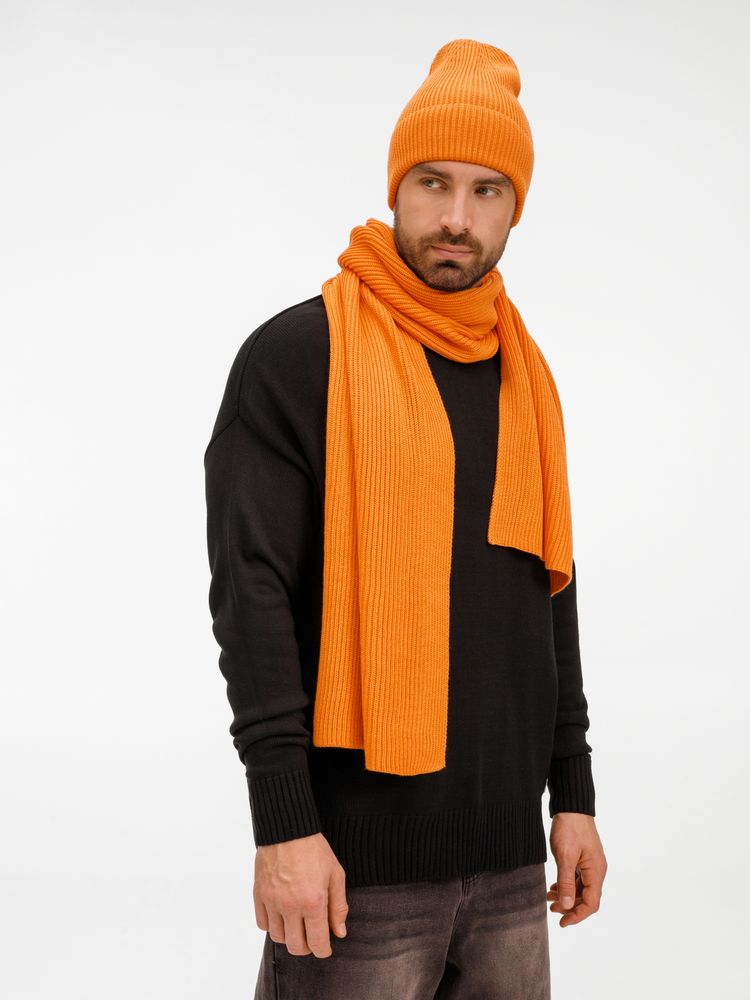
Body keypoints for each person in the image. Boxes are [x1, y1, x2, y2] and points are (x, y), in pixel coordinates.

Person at [204, 37, 607, 1000]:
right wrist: (283, 825)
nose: (457, 217)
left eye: (487, 190)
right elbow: (251, 597)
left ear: (514, 208)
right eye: (434, 183)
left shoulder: (523, 375)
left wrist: (574, 793)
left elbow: (546, 593)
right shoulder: (300, 355)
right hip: (354, 871)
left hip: (510, 867)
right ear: (397, 188)